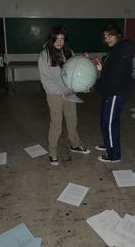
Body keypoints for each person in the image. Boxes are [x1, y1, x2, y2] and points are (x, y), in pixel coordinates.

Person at [38, 26, 90, 165]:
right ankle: (52, 152)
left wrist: (82, 60)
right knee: (57, 124)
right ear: (52, 38)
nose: (60, 42)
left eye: (62, 39)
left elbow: (74, 71)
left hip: (69, 93)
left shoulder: (69, 51)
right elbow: (45, 79)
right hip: (55, 94)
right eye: (57, 38)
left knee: (72, 120)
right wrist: (60, 91)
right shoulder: (44, 55)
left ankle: (75, 145)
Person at [95, 21, 134, 163]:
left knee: (109, 123)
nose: (107, 39)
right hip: (111, 92)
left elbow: (115, 78)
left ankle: (114, 155)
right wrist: (102, 69)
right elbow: (112, 72)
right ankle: (108, 144)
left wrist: (96, 86)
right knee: (106, 121)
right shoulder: (115, 50)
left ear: (118, 35)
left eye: (110, 35)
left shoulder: (121, 51)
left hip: (115, 92)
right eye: (105, 36)